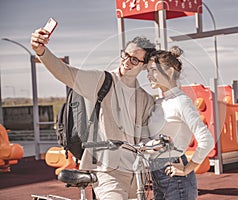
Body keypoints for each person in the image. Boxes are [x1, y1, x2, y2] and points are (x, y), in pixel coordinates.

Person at [31, 27, 156, 199]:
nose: (126, 62)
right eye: (125, 55)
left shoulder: (146, 99)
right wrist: (42, 51)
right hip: (107, 170)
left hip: (136, 174)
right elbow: (66, 73)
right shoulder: (101, 81)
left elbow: (146, 135)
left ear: (144, 66)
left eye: (134, 60)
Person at [146, 46, 215, 199]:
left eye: (153, 70)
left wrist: (187, 169)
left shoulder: (181, 102)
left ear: (170, 71)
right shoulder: (160, 102)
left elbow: (207, 140)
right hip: (158, 174)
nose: (149, 76)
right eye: (148, 72)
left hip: (175, 177)